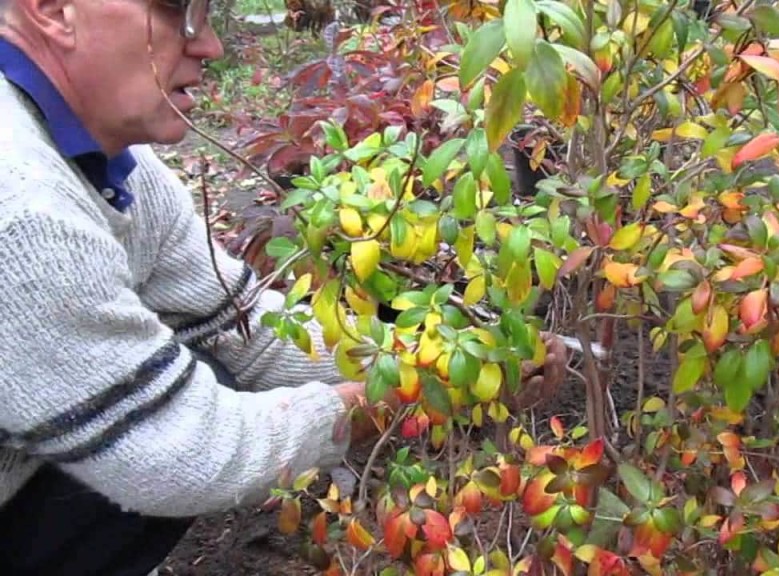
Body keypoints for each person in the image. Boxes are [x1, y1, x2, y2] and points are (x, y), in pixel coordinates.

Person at [0, 0, 568, 574]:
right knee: (159, 418)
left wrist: (444, 357)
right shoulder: (22, 206)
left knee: (196, 370)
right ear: (52, 10)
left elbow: (242, 330)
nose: (210, 47)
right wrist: (400, 400)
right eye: (179, 13)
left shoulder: (114, 162)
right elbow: (185, 450)